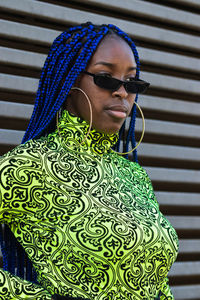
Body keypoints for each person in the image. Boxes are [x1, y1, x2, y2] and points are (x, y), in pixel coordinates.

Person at [0, 22, 178, 300]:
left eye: (132, 83)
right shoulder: (30, 164)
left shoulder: (133, 175)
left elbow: (157, 281)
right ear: (70, 82)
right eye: (106, 78)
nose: (122, 92)